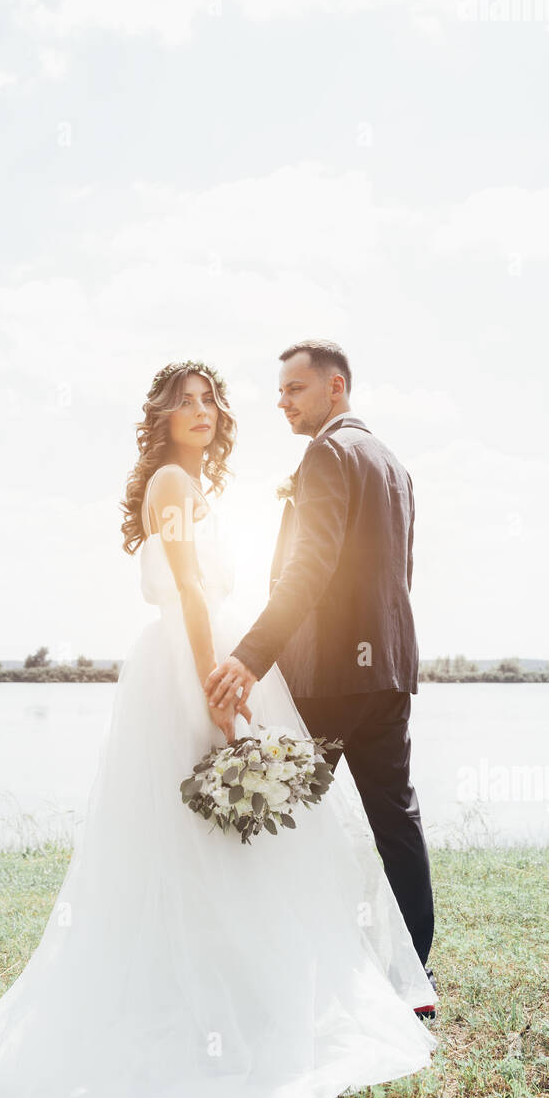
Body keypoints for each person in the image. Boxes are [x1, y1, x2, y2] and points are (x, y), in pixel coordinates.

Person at [0, 360, 437, 1098]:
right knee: (192, 837)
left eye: (210, 399)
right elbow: (193, 596)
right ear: (161, 419)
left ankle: (244, 996)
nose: (201, 411)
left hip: (219, 665)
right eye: (184, 402)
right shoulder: (171, 486)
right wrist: (220, 689)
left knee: (237, 844)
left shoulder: (205, 490)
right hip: (187, 669)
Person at [205, 342, 436, 1015]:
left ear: (336, 388)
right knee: (397, 819)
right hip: (388, 672)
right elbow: (399, 575)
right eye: (279, 390)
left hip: (331, 675)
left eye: (295, 388)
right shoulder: (392, 463)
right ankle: (413, 980)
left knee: (280, 821)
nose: (283, 400)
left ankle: (277, 975)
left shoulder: (327, 456)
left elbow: (311, 569)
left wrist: (249, 658)